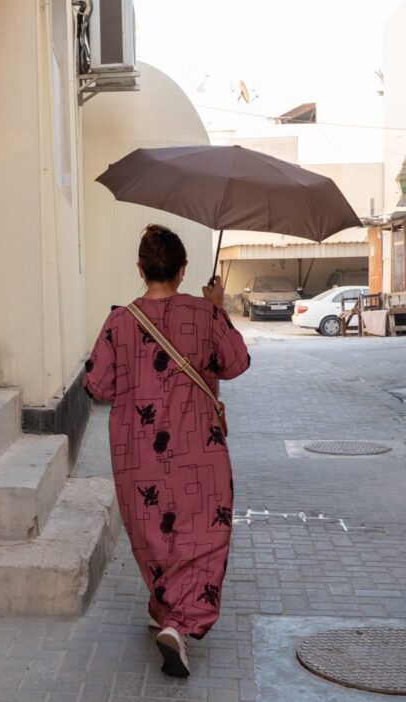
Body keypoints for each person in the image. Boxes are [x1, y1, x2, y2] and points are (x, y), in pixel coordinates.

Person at [83, 224, 250, 677]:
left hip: (139, 453)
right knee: (204, 533)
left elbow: (96, 385)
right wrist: (216, 310)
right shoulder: (205, 314)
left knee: (153, 529)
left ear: (140, 269)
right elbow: (236, 363)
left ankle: (165, 609)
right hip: (200, 448)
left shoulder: (120, 322)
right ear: (182, 270)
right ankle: (179, 621)